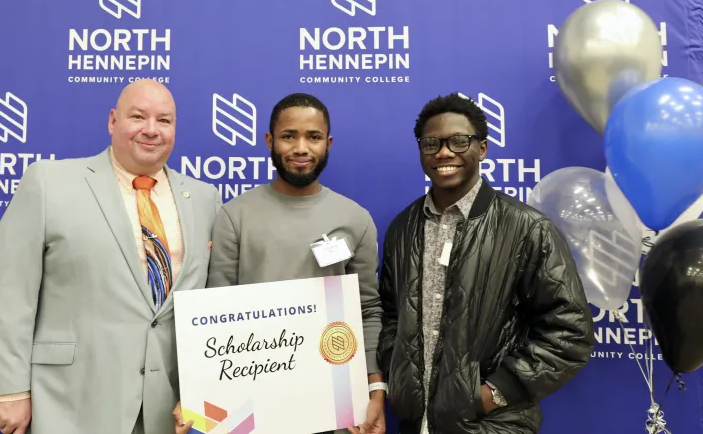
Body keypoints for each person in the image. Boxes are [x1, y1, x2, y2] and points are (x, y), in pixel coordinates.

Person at [0, 79, 222, 434]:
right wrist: (11, 389)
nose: (151, 130)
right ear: (112, 121)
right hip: (68, 402)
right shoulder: (49, 182)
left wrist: (201, 390)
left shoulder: (204, 198)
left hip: (165, 411)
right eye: (138, 117)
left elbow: (211, 305)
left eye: (164, 121)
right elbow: (8, 289)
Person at [377, 93, 594, 434]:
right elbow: (390, 314)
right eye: (431, 143)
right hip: (413, 423)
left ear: (483, 148)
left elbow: (570, 333)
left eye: (459, 141)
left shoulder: (527, 229)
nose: (444, 152)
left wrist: (491, 394)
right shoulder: (403, 228)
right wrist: (398, 376)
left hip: (492, 425)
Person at [206, 93, 386, 434]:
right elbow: (217, 312)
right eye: (289, 136)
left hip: (333, 406)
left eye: (313, 137)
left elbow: (367, 310)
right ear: (270, 141)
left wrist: (375, 388)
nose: (301, 148)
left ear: (328, 143)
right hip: (252, 403)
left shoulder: (355, 219)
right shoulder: (234, 215)